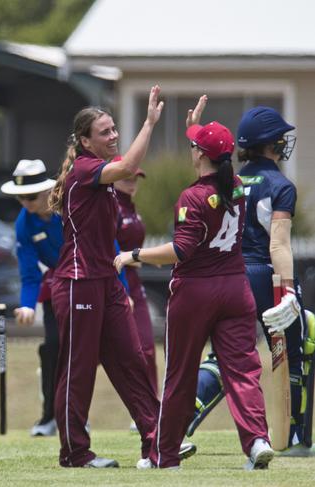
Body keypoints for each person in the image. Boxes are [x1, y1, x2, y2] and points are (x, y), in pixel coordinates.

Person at [114, 96, 274, 470]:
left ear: (200, 155)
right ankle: (257, 440)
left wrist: (134, 255)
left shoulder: (193, 197)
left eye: (194, 145)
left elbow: (181, 250)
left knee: (179, 374)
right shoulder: (234, 184)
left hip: (196, 290)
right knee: (243, 370)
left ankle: (163, 454)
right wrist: (196, 127)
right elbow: (214, 158)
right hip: (236, 288)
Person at [47, 86, 172, 469]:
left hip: (105, 280)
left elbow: (126, 171)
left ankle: (157, 441)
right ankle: (74, 452)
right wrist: (149, 124)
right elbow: (126, 169)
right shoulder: (85, 170)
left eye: (115, 129)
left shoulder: (100, 172)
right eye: (105, 132)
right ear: (85, 141)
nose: (114, 135)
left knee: (131, 359)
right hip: (77, 281)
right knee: (79, 368)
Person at [187, 106, 313, 455]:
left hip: (229, 276)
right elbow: (278, 243)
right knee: (293, 348)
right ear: (271, 144)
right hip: (265, 277)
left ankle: (182, 418)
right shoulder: (279, 184)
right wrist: (286, 289)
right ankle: (295, 437)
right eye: (281, 139)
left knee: (228, 356)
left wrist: (194, 129)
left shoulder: (233, 180)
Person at [0, 159, 63, 437]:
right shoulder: (24, 224)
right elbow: (29, 273)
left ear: (47, 191)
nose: (25, 202)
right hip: (57, 291)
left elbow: (107, 244)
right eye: (20, 197)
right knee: (53, 348)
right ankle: (51, 416)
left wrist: (120, 286)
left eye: (30, 196)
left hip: (92, 284)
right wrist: (27, 305)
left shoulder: (70, 208)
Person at [114, 169, 158, 397]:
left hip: (134, 280)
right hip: (114, 282)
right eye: (126, 178)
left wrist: (147, 259)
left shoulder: (131, 206)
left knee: (146, 347)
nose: (132, 183)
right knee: (102, 353)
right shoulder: (112, 206)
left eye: (134, 179)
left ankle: (151, 403)